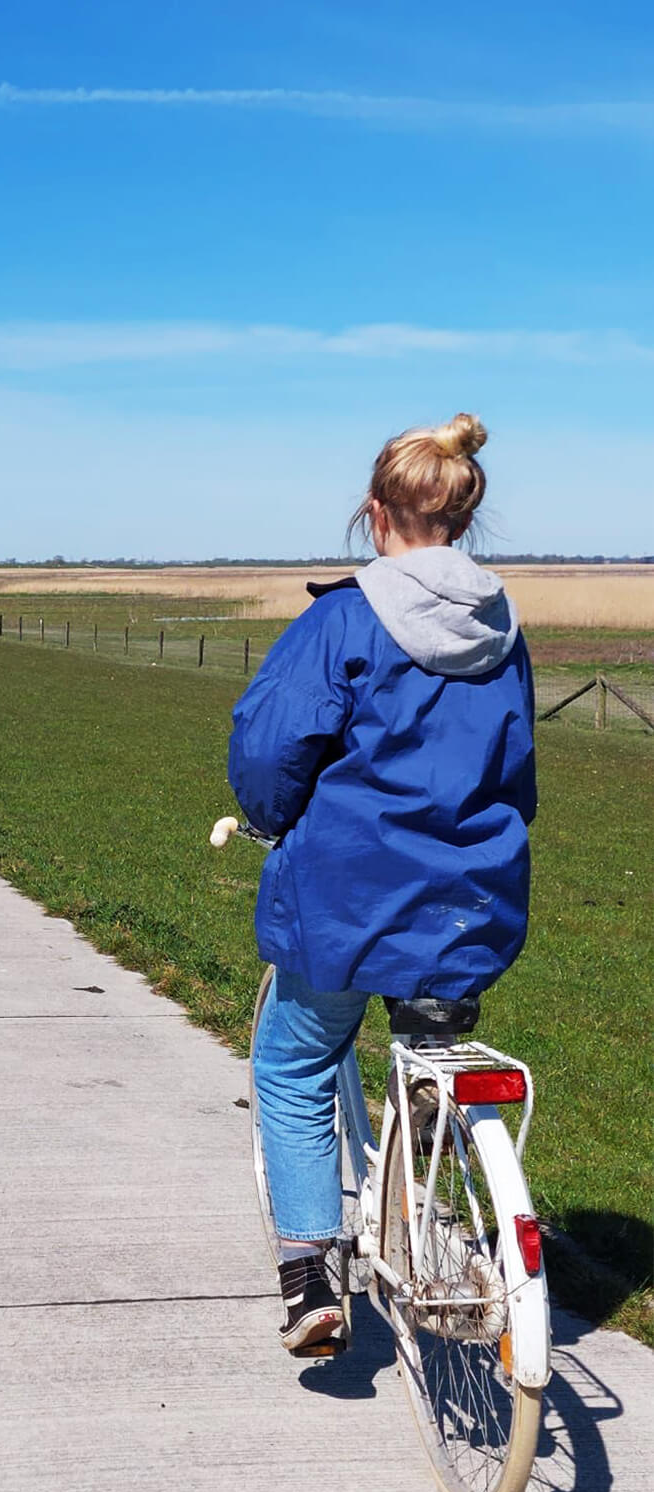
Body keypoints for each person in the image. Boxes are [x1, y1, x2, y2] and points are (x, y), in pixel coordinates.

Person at [228, 413, 535, 1351]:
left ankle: (310, 1274)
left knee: (296, 1062)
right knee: (426, 1047)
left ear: (376, 514)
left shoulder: (345, 618)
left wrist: (273, 818)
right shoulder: (502, 628)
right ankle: (435, 1218)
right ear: (462, 519)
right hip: (468, 903)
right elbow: (516, 771)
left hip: (346, 899)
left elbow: (273, 748)